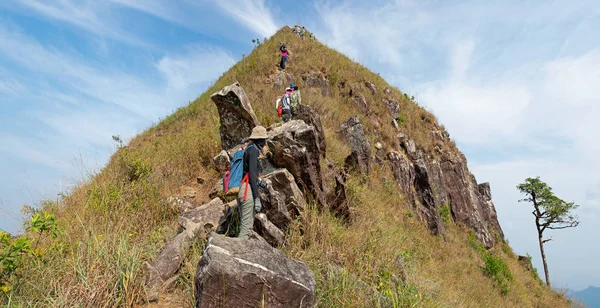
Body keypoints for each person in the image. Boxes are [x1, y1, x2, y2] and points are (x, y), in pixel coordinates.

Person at [237, 126, 268, 239]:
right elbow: (251, 174)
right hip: (247, 192)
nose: (265, 142)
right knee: (246, 230)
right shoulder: (253, 151)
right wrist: (256, 197)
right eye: (264, 139)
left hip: (242, 189)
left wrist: (259, 181)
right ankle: (235, 255)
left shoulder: (248, 149)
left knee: (246, 228)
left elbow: (250, 173)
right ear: (260, 140)